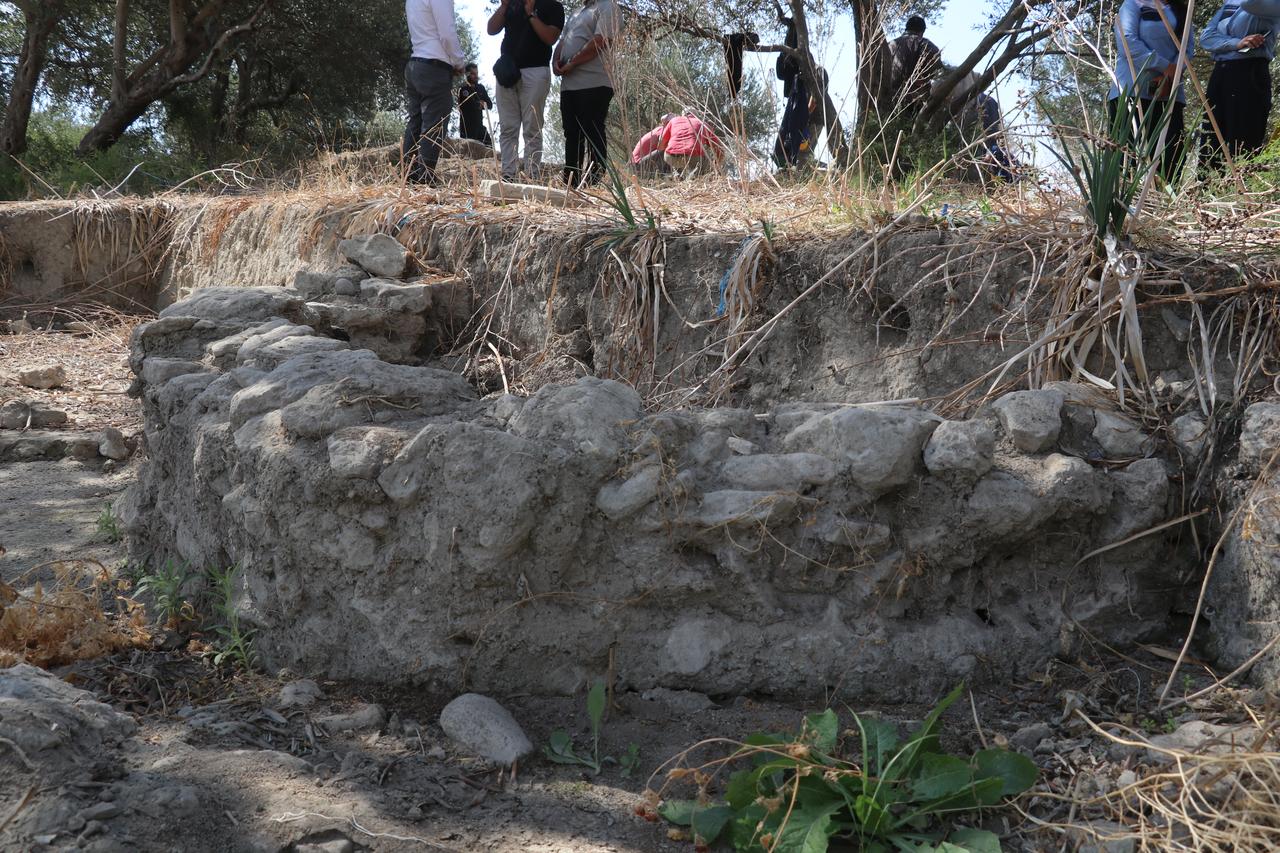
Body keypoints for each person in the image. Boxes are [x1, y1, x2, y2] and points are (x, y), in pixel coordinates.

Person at [1107, 0, 1193, 180]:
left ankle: (1165, 206)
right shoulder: (1133, 4)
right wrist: (1164, 66)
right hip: (1131, 91)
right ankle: (1126, 206)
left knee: (1171, 157)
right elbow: (1127, 42)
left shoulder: (1182, 10)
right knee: (1125, 158)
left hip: (1169, 94)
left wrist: (1170, 75)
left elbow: (1187, 49)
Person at [488, 0, 565, 181]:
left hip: (536, 72)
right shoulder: (512, 5)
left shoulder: (553, 6)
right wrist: (504, 6)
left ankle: (532, 177)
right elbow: (491, 29)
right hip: (507, 73)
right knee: (508, 127)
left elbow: (550, 38)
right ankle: (508, 175)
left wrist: (531, 14)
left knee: (532, 128)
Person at [1199, 0, 1280, 170]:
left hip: (1250, 73)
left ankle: (1241, 192)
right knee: (1211, 140)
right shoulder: (1230, 2)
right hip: (1221, 73)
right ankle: (1206, 191)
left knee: (1243, 141)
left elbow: (1249, 4)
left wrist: (1224, 43)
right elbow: (1206, 38)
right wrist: (1236, 43)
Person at [554, 0, 620, 187]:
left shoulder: (608, 7)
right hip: (569, 85)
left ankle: (594, 182)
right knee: (571, 133)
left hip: (594, 82)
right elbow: (563, 40)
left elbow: (600, 40)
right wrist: (555, 61)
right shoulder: (576, 13)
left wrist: (573, 62)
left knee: (592, 130)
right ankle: (571, 182)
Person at [403, 0, 467, 185]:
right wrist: (458, 61)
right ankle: (425, 177)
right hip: (434, 66)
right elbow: (447, 34)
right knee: (435, 124)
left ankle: (407, 176)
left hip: (415, 64)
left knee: (415, 122)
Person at [889, 16, 942, 117]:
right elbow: (936, 71)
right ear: (922, 31)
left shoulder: (888, 46)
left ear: (906, 28)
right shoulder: (925, 44)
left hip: (886, 102)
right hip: (912, 104)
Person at [659, 110, 724, 177]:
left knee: (672, 157)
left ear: (682, 115)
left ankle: (677, 174)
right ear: (696, 115)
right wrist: (716, 164)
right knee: (708, 169)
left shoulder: (674, 120)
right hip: (694, 157)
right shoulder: (703, 124)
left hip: (671, 157)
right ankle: (694, 177)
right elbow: (720, 149)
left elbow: (661, 145)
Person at [457, 63, 493, 146]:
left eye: (477, 73)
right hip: (467, 128)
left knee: (490, 147)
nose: (476, 76)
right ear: (467, 74)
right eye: (473, 74)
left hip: (479, 126)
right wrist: (477, 105)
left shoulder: (481, 88)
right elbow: (462, 106)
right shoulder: (462, 89)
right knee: (469, 152)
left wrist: (484, 104)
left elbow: (490, 105)